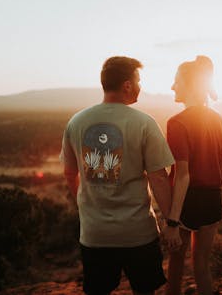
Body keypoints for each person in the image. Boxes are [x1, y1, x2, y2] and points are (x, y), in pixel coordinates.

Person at [60, 56, 175, 295]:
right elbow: (159, 178)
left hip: (95, 233)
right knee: (145, 291)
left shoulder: (76, 122)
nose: (141, 87)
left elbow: (70, 173)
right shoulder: (144, 123)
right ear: (127, 85)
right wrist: (171, 223)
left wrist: (87, 206)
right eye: (139, 80)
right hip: (138, 234)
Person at [163, 55, 222, 295]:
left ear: (189, 85)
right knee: (202, 265)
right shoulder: (219, 120)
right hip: (213, 197)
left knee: (176, 263)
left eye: (176, 81)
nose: (172, 86)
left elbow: (183, 176)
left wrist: (172, 220)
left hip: (186, 200)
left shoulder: (177, 123)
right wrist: (219, 196)